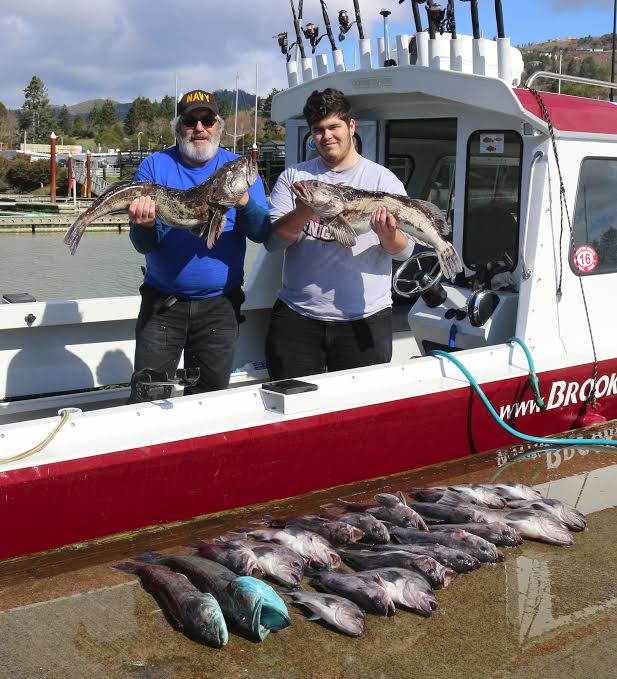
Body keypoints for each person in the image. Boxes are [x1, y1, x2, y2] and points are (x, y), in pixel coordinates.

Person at [127, 89, 271, 402]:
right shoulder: (154, 167)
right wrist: (146, 225)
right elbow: (143, 245)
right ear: (178, 127)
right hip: (162, 305)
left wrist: (243, 202)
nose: (200, 128)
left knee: (209, 399)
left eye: (207, 120)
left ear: (219, 125)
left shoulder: (239, 168)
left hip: (221, 307)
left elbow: (262, 234)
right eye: (191, 121)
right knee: (147, 397)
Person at [264, 88, 414, 380]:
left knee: (360, 416)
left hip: (366, 320)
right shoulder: (293, 178)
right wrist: (303, 211)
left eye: (334, 127)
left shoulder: (383, 180)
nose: (327, 136)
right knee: (293, 413)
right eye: (318, 130)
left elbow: (405, 251)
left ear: (351, 126)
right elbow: (272, 242)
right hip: (297, 318)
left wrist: (387, 235)